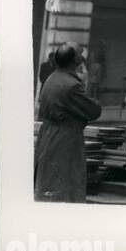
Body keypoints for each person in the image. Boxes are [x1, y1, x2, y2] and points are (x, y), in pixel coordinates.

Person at [34, 43, 103, 202]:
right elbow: (94, 111)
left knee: (49, 183)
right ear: (76, 61)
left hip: (49, 135)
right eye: (80, 57)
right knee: (66, 184)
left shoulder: (53, 77)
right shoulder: (72, 84)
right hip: (65, 138)